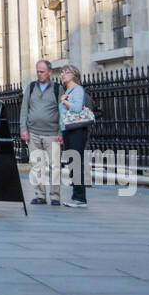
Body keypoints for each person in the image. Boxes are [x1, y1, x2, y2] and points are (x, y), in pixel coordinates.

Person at [19, 59, 62, 206]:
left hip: (52, 134)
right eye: (37, 71)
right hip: (34, 133)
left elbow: (62, 112)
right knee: (36, 165)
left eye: (42, 72)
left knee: (54, 166)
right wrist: (23, 129)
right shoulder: (31, 87)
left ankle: (55, 196)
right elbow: (24, 109)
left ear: (49, 72)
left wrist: (60, 133)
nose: (39, 74)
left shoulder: (57, 88)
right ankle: (40, 195)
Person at [58, 64, 90, 208]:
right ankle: (76, 196)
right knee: (72, 162)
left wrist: (64, 100)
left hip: (76, 129)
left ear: (74, 75)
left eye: (66, 72)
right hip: (67, 129)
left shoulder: (77, 90)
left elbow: (77, 108)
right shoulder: (68, 90)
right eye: (62, 72)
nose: (63, 74)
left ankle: (80, 197)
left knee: (76, 162)